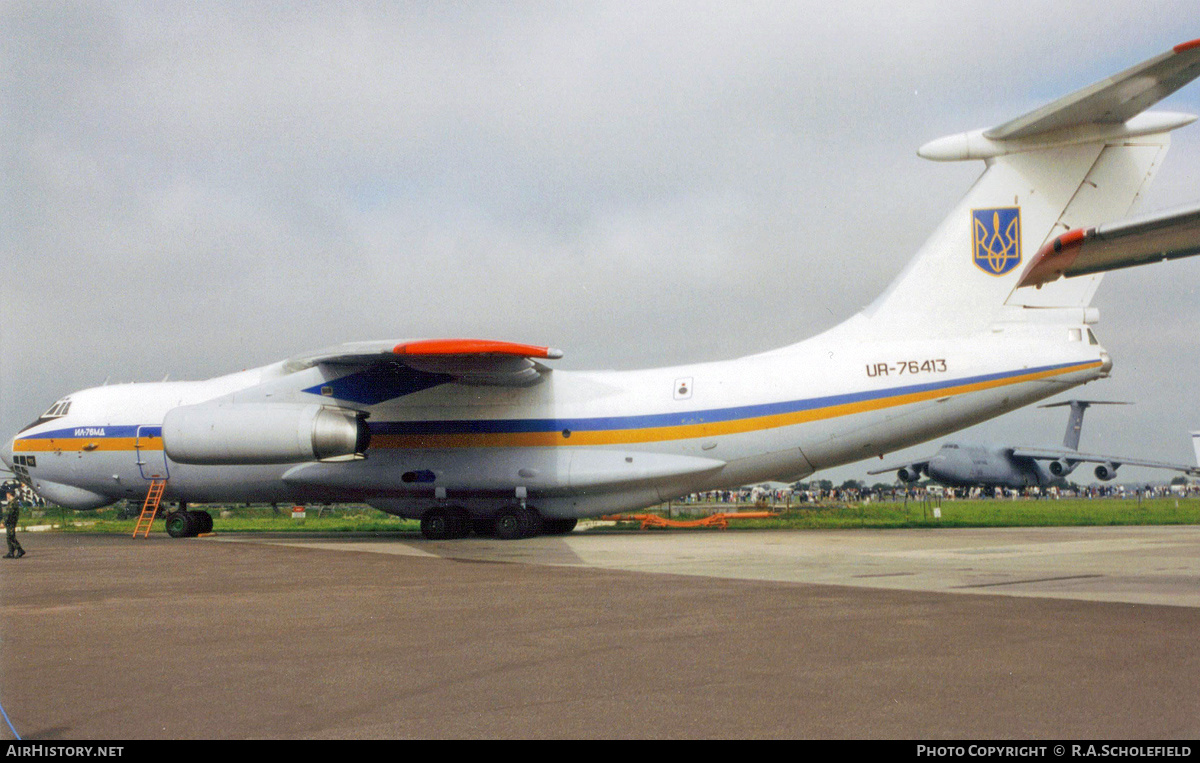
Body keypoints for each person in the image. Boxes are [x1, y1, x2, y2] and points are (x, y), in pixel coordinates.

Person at [4, 491, 25, 559]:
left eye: (7, 494)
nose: (6, 495)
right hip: (10, 522)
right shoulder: (12, 502)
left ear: (9, 494)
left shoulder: (13, 503)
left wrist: (3, 522)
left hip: (11, 522)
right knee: (8, 537)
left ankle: (20, 550)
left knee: (11, 537)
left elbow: (9, 514)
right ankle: (11, 552)